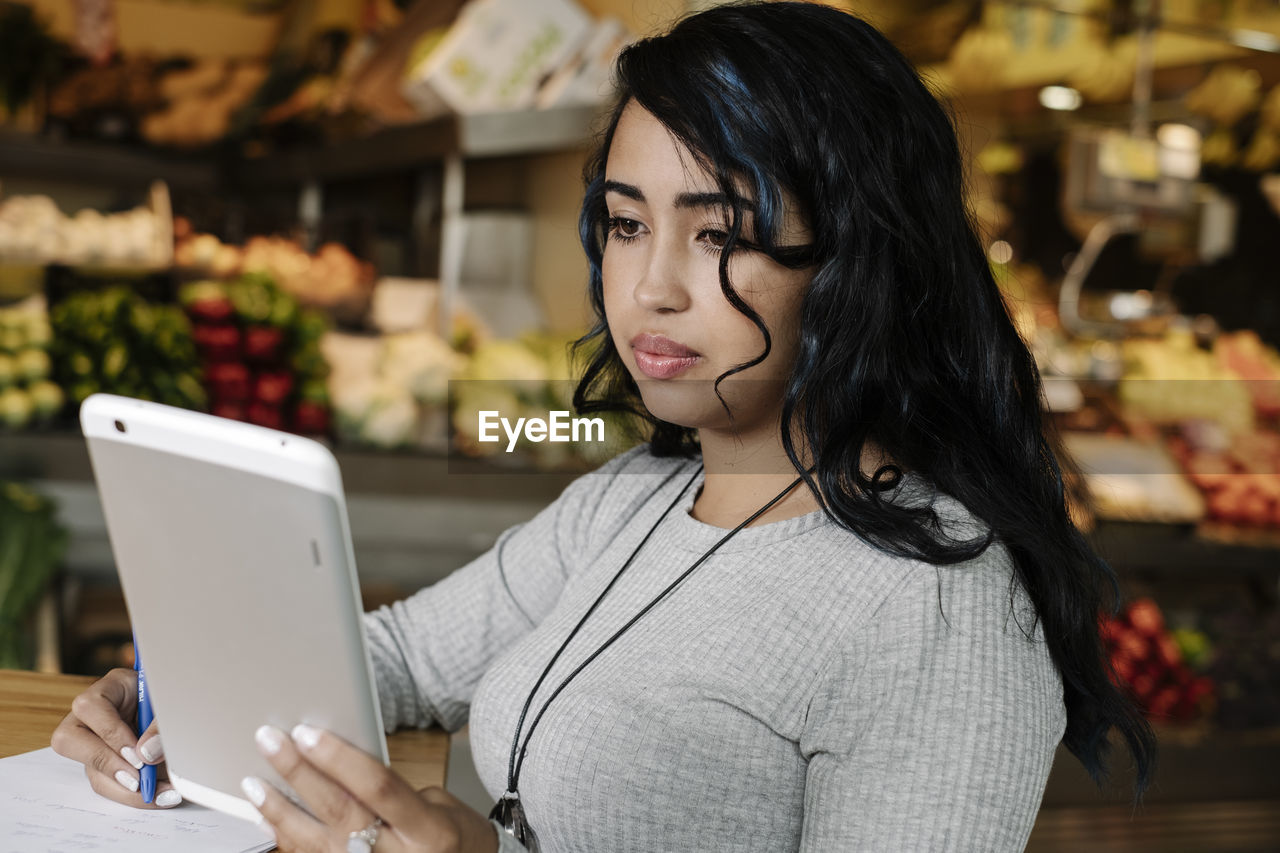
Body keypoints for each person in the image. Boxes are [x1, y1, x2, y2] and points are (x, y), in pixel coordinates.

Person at [51, 2, 1157, 851]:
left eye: (720, 233)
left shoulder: (940, 610)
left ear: (861, 260)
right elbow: (393, 658)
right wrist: (163, 700)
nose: (651, 289)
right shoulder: (629, 501)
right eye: (626, 225)